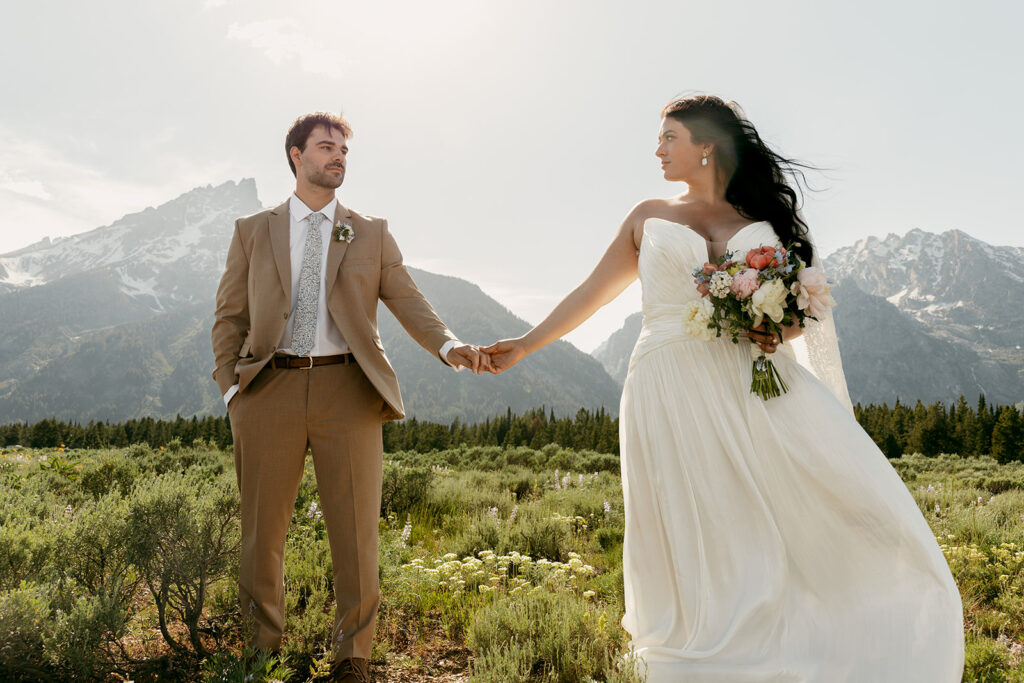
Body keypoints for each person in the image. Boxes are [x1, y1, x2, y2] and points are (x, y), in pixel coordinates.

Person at [483, 94, 965, 681]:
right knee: (688, 508)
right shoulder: (647, 214)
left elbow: (799, 315)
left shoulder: (761, 224)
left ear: (705, 146)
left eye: (669, 138)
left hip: (753, 381)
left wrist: (775, 324)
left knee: (814, 495)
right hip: (665, 379)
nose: (657, 149)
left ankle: (832, 630)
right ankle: (697, 647)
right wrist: (527, 344)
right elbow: (592, 293)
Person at [211, 112, 489, 683]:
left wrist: (448, 345)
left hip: (350, 390)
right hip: (269, 389)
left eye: (344, 150)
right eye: (326, 147)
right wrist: (232, 390)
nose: (338, 156)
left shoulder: (370, 232)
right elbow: (229, 314)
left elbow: (408, 299)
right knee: (262, 531)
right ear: (296, 155)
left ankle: (353, 657)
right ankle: (260, 649)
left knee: (357, 530)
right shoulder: (253, 230)